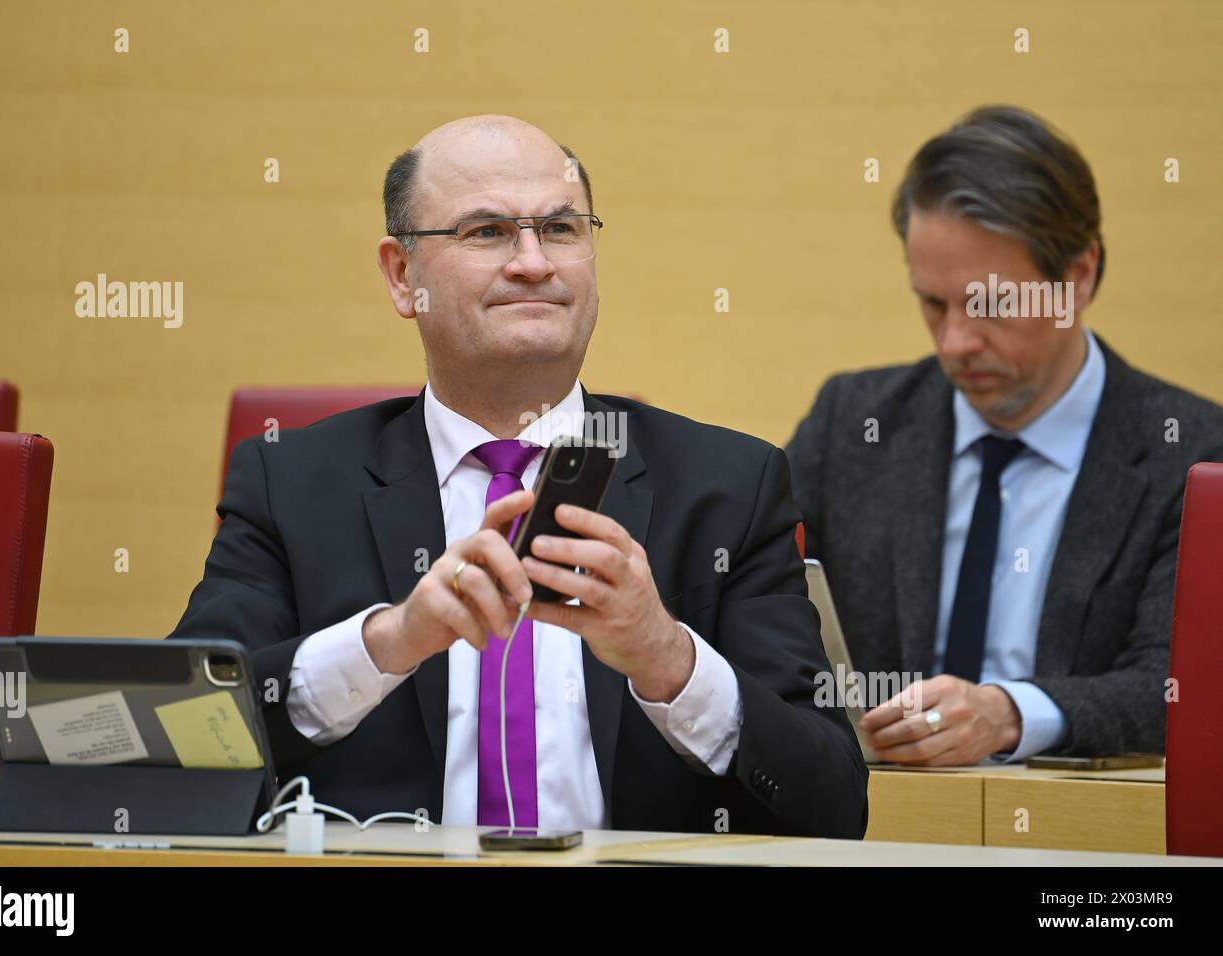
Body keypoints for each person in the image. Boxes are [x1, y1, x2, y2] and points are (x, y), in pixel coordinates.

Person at [171, 114, 867, 836]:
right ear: (403, 275)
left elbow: (835, 803)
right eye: (488, 232)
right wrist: (391, 642)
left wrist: (667, 659)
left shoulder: (730, 487)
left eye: (562, 230)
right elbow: (179, 737)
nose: (534, 262)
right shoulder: (290, 485)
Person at [786, 105, 1223, 766]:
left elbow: (1179, 685)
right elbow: (752, 603)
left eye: (990, 304)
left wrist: (1010, 713)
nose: (956, 342)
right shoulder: (854, 422)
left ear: (1076, 278)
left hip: (1076, 839)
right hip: (876, 833)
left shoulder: (1191, 452)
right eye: (933, 303)